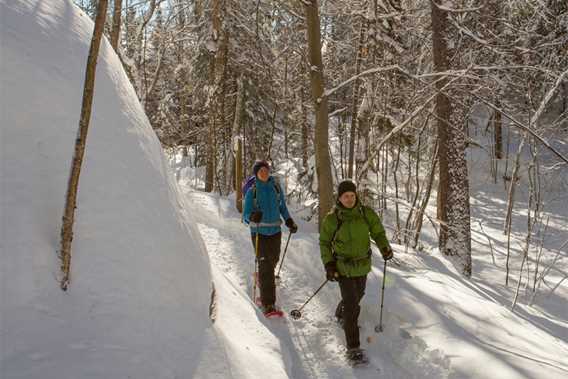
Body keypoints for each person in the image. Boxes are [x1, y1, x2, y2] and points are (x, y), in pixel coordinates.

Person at [319, 180, 393, 364]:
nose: (350, 199)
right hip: (343, 267)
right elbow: (324, 243)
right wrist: (329, 265)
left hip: (362, 266)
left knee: (358, 295)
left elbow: (378, 231)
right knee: (352, 306)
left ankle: (340, 312)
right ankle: (353, 347)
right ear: (340, 198)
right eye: (346, 196)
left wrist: (385, 247)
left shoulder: (365, 213)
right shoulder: (332, 218)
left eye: (352, 195)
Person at [243, 160, 298, 315]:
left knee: (273, 260)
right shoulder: (252, 192)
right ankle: (268, 304)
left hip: (275, 231)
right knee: (266, 265)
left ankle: (263, 278)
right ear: (256, 174)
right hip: (259, 233)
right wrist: (252, 216)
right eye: (261, 171)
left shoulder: (275, 187)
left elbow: (282, 207)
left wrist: (289, 220)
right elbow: (245, 216)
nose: (264, 173)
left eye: (266, 170)